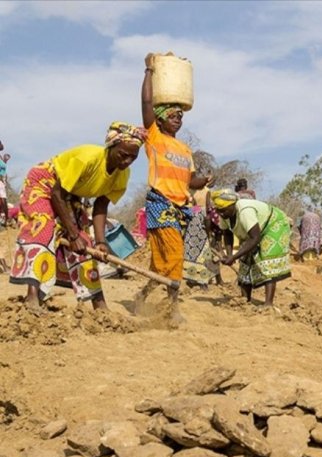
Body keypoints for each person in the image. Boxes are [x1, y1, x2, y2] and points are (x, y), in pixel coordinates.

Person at [9, 122, 145, 311]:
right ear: (112, 146)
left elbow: (100, 206)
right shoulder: (88, 158)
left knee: (84, 243)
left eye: (133, 157)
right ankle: (32, 296)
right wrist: (71, 234)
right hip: (45, 182)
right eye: (123, 154)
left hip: (70, 194)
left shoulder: (122, 175)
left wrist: (101, 242)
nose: (127, 161)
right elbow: (57, 194)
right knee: (43, 226)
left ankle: (98, 303)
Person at [135, 53, 213, 321]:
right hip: (160, 203)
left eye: (181, 116)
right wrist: (149, 71)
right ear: (160, 119)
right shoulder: (155, 137)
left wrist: (203, 181)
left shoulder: (185, 148)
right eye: (172, 115)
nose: (178, 119)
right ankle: (173, 308)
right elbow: (146, 103)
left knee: (161, 262)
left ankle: (142, 296)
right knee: (176, 255)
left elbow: (190, 181)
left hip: (180, 208)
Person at [212, 189, 291, 306]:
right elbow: (227, 234)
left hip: (274, 224)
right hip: (255, 232)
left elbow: (255, 238)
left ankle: (268, 304)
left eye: (223, 210)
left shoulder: (245, 211)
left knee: (266, 261)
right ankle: (245, 300)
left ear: (233, 205)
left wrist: (233, 257)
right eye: (218, 210)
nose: (221, 213)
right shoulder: (224, 215)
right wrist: (229, 255)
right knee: (245, 261)